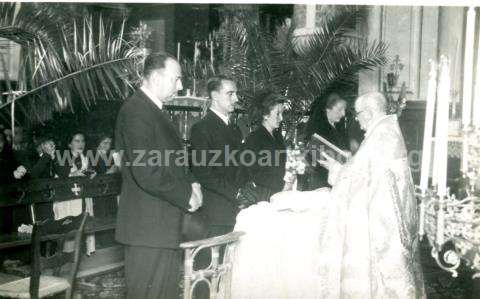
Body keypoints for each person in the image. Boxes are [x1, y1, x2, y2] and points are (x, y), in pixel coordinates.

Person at [229, 92, 424, 299]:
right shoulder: (385, 132)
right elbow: (361, 172)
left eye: (357, 114)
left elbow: (357, 177)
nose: (355, 119)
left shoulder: (381, 135)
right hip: (272, 191)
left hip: (379, 224)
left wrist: (335, 167)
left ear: (368, 113)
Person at [115, 53, 202, 299]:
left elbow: (170, 161)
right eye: (176, 79)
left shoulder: (153, 110)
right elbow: (147, 171)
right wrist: (186, 195)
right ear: (154, 78)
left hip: (160, 227)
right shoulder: (137, 110)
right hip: (147, 229)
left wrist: (192, 181)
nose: (181, 86)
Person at [190, 75, 243, 237]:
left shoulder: (234, 128)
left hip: (236, 208)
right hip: (216, 212)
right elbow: (203, 173)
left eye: (236, 94)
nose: (236, 98)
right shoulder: (202, 128)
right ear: (214, 96)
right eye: (230, 93)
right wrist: (236, 193)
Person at [238, 90, 289, 204]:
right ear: (265, 115)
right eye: (277, 114)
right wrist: (282, 185)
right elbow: (256, 173)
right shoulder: (255, 139)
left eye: (282, 113)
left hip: (278, 191)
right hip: (262, 195)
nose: (281, 118)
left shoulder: (277, 136)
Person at [55, 132, 96, 254]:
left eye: (82, 141)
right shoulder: (62, 157)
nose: (81, 144)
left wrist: (92, 174)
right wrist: (74, 174)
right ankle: (66, 255)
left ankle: (81, 254)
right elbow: (61, 176)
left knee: (84, 222)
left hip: (82, 195)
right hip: (67, 198)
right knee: (69, 226)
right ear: (69, 144)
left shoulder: (85, 158)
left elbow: (86, 173)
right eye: (77, 141)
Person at [304, 92, 349, 189]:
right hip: (320, 180)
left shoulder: (339, 128)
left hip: (336, 180)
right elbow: (312, 153)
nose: (343, 114)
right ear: (328, 109)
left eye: (344, 110)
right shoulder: (318, 128)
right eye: (340, 109)